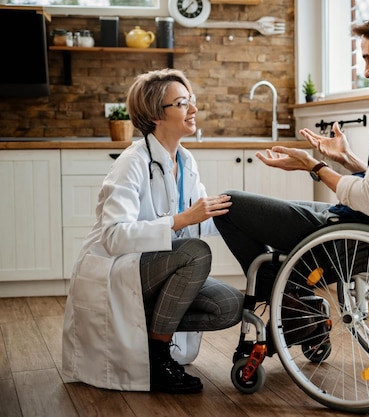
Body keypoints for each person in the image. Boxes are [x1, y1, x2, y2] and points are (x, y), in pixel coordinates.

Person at [213, 10, 369, 291]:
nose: (367, 71)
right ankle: (292, 295)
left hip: (366, 235)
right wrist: (347, 160)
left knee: (226, 204)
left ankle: (279, 290)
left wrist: (314, 167)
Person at [62, 68, 244, 395]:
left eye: (191, 100)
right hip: (117, 268)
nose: (193, 109)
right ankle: (158, 357)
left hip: (159, 267)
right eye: (182, 102)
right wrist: (180, 221)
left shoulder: (185, 161)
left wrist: (245, 218)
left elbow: (198, 218)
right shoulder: (132, 163)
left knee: (229, 304)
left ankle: (147, 330)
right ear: (156, 115)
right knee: (195, 253)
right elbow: (114, 236)